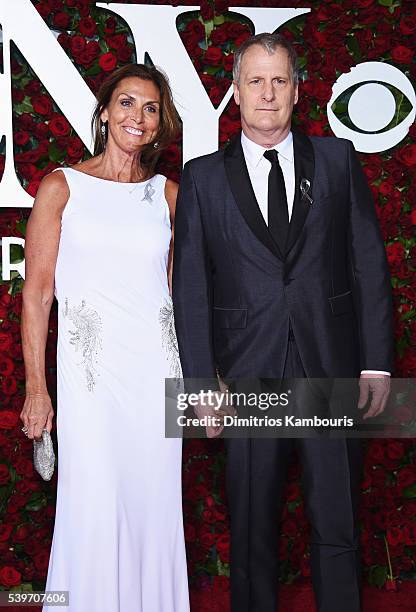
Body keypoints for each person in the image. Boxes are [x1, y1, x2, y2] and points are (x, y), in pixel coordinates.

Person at [172, 33, 393, 612]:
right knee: (250, 530)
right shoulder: (202, 178)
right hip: (244, 376)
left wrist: (375, 364)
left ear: (297, 91)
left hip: (331, 368)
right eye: (255, 81)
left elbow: (368, 265)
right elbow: (190, 287)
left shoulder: (339, 160)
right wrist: (199, 384)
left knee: (337, 520)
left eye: (278, 81)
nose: (267, 93)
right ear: (236, 93)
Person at [20, 63, 189, 612]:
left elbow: (179, 294)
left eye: (150, 108)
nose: (136, 117)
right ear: (103, 112)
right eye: (126, 103)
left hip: (156, 377)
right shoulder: (60, 187)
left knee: (153, 505)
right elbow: (37, 296)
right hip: (90, 380)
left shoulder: (168, 196)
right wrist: (37, 389)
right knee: (92, 504)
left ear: (160, 124)